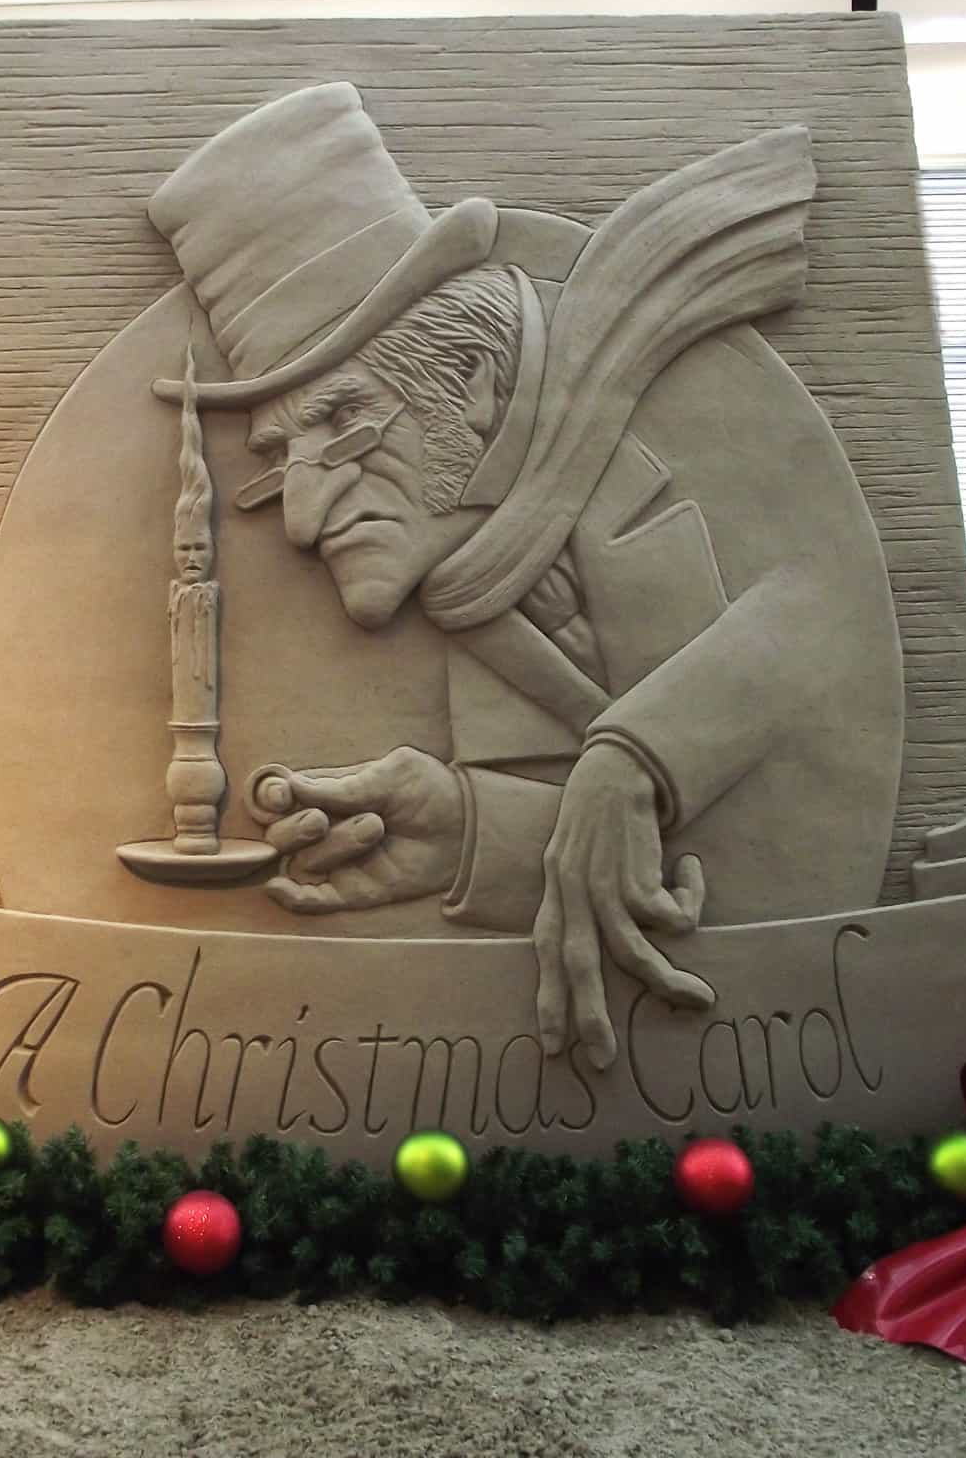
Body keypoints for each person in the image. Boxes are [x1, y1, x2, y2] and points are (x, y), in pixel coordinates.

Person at [144, 83, 904, 1071]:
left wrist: (635, 756)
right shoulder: (471, 568)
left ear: (469, 383)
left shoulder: (677, 431)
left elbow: (833, 611)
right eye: (281, 462)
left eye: (341, 423)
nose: (300, 519)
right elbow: (713, 850)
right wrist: (469, 833)